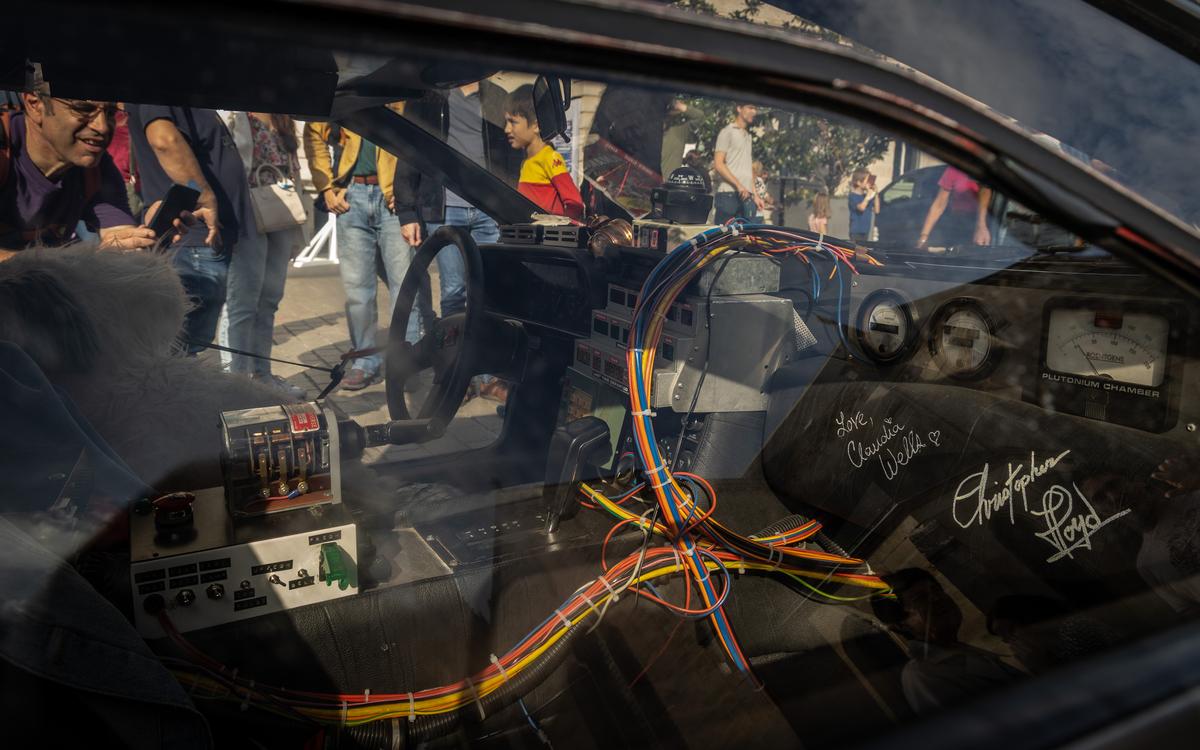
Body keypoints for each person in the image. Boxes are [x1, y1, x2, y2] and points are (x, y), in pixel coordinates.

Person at [303, 115, 419, 390]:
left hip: (392, 200)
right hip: (351, 196)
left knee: (404, 287)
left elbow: (413, 141)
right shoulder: (347, 94)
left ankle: (404, 363)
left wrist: (405, 194)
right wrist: (326, 187)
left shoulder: (397, 95)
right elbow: (313, 132)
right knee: (358, 290)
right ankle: (365, 361)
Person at [127, 105, 250, 353]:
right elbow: (164, 140)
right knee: (179, 345)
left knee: (190, 345)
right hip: (192, 238)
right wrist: (205, 197)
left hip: (204, 238)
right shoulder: (160, 84)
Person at [394, 81, 520, 318]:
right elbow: (408, 149)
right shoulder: (428, 96)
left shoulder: (497, 95)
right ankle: (454, 352)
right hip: (445, 209)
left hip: (488, 210)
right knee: (453, 292)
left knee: (490, 290)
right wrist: (406, 211)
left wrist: (508, 204)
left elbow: (511, 155)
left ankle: (484, 348)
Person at [0, 92, 158, 257]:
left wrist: (142, 239)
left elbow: (118, 234)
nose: (102, 127)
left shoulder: (95, 169)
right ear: (35, 104)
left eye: (110, 113)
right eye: (83, 109)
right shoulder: (5, 150)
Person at [225, 111, 306, 398]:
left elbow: (293, 171)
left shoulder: (284, 119)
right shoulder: (236, 116)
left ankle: (262, 377)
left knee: (270, 300)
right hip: (247, 213)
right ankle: (238, 381)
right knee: (244, 303)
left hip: (281, 212)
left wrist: (299, 233)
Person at [871, 568, 1022, 713]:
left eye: (937, 590)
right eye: (920, 598)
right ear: (900, 625)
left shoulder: (960, 652)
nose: (937, 599)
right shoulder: (922, 675)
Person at [504, 85, 584, 220]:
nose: (507, 129)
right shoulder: (526, 162)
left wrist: (561, 229)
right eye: (506, 122)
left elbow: (574, 203)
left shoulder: (549, 157)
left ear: (536, 125)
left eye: (513, 122)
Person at [916, 166, 993, 249]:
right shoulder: (954, 170)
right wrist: (924, 237)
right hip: (956, 223)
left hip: (985, 222)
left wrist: (981, 226)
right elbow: (939, 204)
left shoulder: (985, 169)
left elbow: (985, 191)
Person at [712, 103, 764, 223]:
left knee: (745, 239)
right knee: (723, 238)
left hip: (747, 196)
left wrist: (756, 195)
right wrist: (739, 185)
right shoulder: (727, 132)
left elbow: (748, 169)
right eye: (750, 107)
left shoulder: (748, 136)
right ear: (739, 108)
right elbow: (719, 164)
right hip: (728, 195)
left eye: (755, 108)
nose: (754, 112)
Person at [661, 98, 704, 178]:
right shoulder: (647, 133)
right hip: (644, 185)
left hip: (667, 186)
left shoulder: (678, 132)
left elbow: (699, 116)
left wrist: (678, 105)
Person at [847, 169, 880, 245]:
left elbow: (877, 210)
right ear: (858, 182)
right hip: (856, 231)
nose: (869, 182)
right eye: (867, 180)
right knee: (857, 253)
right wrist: (868, 196)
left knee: (864, 253)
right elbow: (861, 208)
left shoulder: (866, 197)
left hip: (866, 230)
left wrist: (876, 194)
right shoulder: (852, 196)